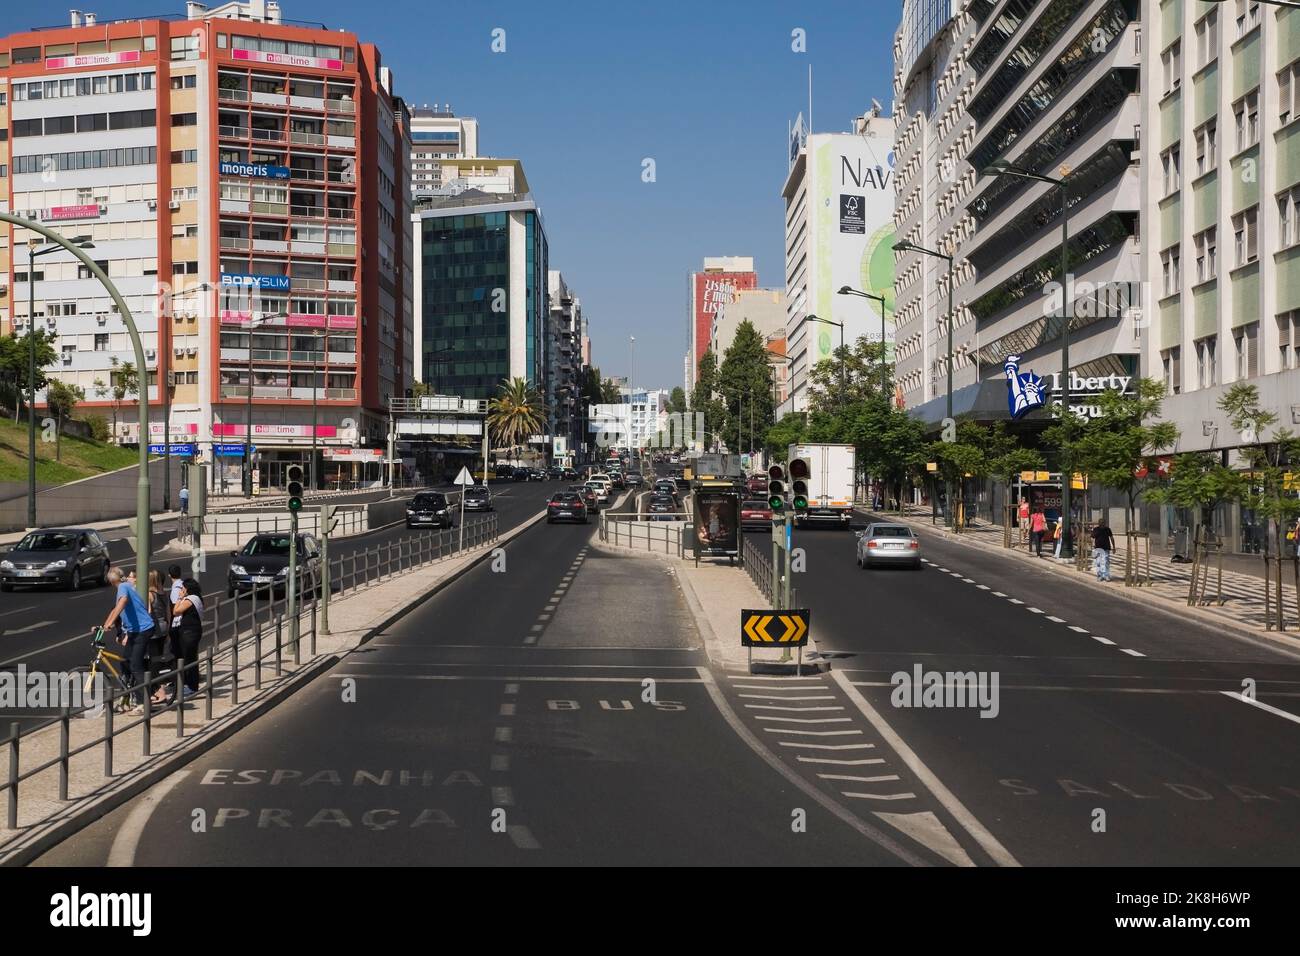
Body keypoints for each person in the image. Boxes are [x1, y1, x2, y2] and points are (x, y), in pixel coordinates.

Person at [100, 567, 155, 714]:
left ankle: (144, 703)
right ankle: (127, 698)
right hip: (134, 631)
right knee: (125, 662)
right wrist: (104, 624)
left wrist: (110, 623)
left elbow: (122, 602)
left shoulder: (123, 587)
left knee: (135, 664)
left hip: (143, 630)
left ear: (112, 581)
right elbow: (115, 609)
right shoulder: (126, 587)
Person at [170, 577, 205, 698]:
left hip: (190, 632)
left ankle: (191, 686)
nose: (182, 590)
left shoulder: (191, 599)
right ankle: (190, 685)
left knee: (189, 659)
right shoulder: (196, 597)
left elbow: (176, 611)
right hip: (191, 631)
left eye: (183, 588)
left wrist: (180, 598)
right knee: (190, 658)